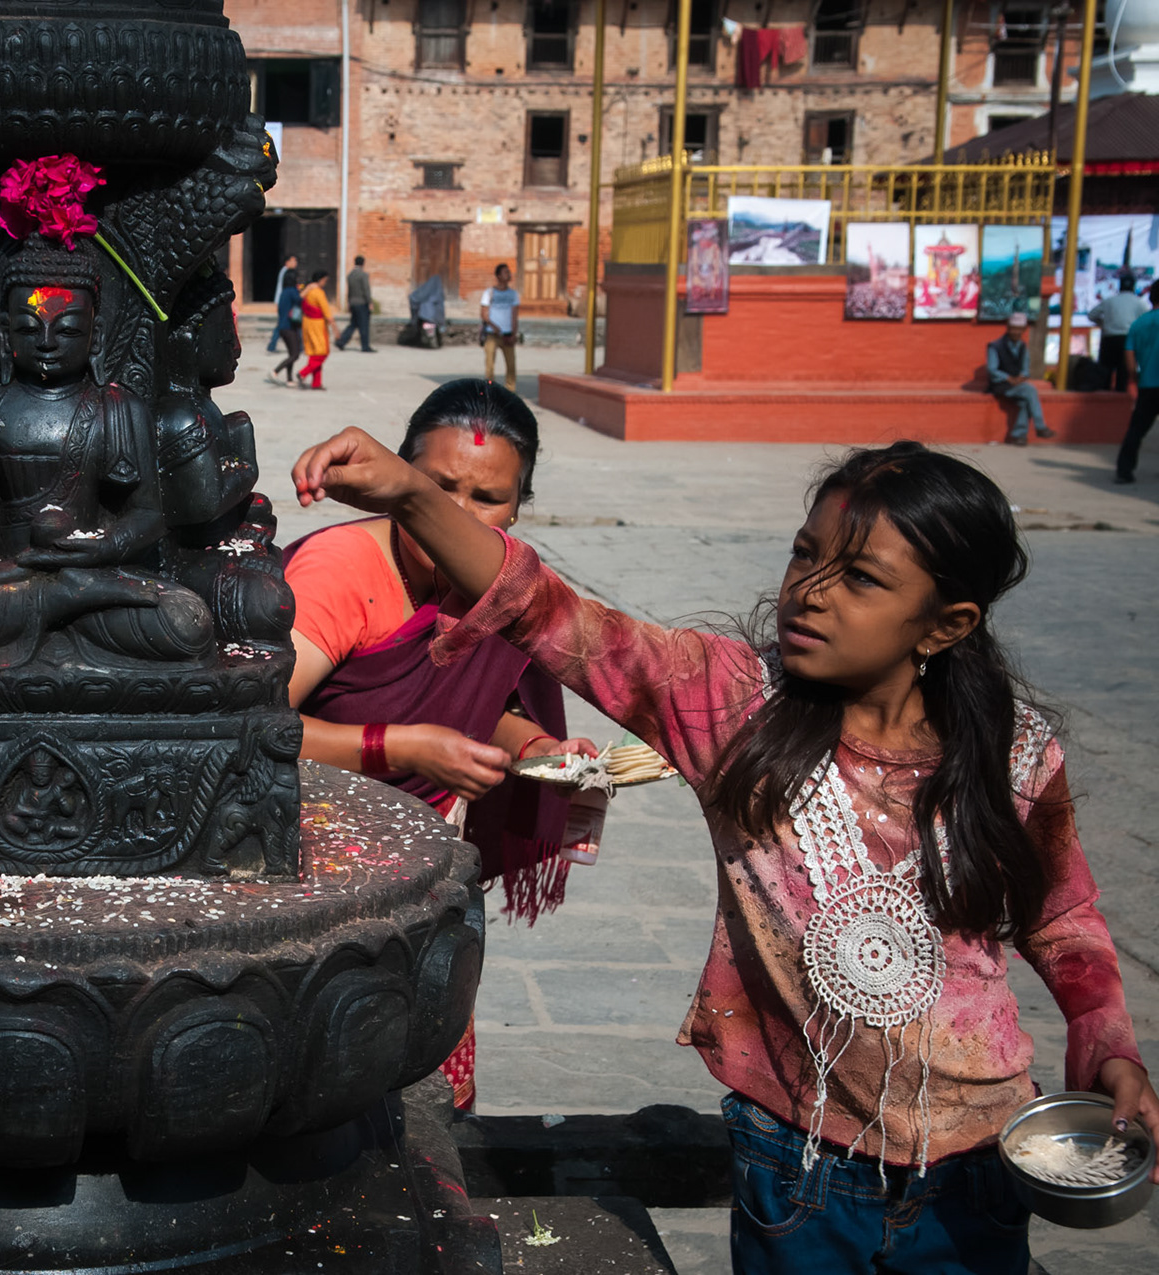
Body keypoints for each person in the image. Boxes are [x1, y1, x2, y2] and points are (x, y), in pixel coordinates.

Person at [293, 428, 1158, 1274]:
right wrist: (410, 492)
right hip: (798, 1162)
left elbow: (1063, 914)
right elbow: (547, 609)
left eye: (859, 578)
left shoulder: (1016, 751)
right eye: (803, 555)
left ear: (945, 622)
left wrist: (1106, 1040)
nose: (810, 592)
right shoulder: (731, 705)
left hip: (976, 1161)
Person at [284, 381, 598, 1111]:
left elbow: (481, 708)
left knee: (427, 1085)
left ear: (518, 506)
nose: (457, 513)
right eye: (438, 485)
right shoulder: (342, 573)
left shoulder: (503, 583)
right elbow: (249, 729)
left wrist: (538, 747)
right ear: (399, 477)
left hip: (435, 873)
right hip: (314, 869)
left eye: (487, 497)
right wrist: (400, 746)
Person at [986, 311, 1055, 445]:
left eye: (1019, 329)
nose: (1016, 332)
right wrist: (1008, 378)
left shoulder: (1023, 347)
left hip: (1018, 385)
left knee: (1025, 402)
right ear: (1008, 328)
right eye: (1013, 328)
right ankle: (1040, 426)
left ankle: (1019, 436)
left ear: (1023, 330)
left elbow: (1025, 369)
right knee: (1030, 391)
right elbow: (992, 369)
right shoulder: (995, 346)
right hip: (1001, 385)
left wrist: (1021, 377)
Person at [1115, 281, 1159, 485]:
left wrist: (1134, 377)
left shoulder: (1139, 324)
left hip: (1148, 384)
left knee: (1136, 430)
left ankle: (1124, 471)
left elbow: (1130, 357)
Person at [1090, 273, 1150, 393]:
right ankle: (1121, 404)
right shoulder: (1139, 302)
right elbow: (1146, 319)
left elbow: (1092, 315)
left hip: (1109, 339)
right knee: (1123, 376)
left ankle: (1102, 403)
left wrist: (1104, 324)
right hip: (1127, 340)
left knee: (1105, 374)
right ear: (1133, 286)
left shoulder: (1109, 301)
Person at [480, 263, 519, 392]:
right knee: (490, 366)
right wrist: (493, 326)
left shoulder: (513, 294)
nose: (509, 275)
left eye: (509, 272)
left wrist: (514, 333)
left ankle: (510, 390)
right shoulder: (489, 293)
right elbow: (483, 314)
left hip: (507, 334)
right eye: (505, 272)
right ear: (498, 276)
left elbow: (514, 315)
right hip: (492, 334)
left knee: (511, 365)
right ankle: (490, 390)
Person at [298, 269, 332, 391]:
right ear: (321, 280)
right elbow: (326, 312)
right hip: (318, 325)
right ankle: (303, 373)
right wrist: (335, 327)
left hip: (307, 323)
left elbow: (299, 298)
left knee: (314, 353)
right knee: (322, 353)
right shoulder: (318, 292)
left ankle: (316, 383)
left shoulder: (307, 291)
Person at [270, 268, 304, 384]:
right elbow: (300, 301)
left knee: (292, 354)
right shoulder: (292, 291)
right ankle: (275, 371)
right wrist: (305, 291)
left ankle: (289, 379)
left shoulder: (284, 292)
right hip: (289, 326)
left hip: (283, 326)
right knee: (295, 354)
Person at [336, 255, 374, 352]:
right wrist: (370, 302)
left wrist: (348, 302)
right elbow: (366, 289)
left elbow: (349, 291)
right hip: (362, 303)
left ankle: (341, 341)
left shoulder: (350, 275)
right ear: (363, 263)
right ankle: (365, 346)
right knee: (364, 325)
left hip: (353, 303)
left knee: (353, 324)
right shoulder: (363, 275)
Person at [265, 253, 298, 353]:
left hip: (284, 300)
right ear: (287, 262)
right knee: (281, 324)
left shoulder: (285, 271)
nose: (295, 263)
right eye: (293, 261)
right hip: (284, 301)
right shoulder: (286, 272)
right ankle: (272, 345)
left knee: (284, 323)